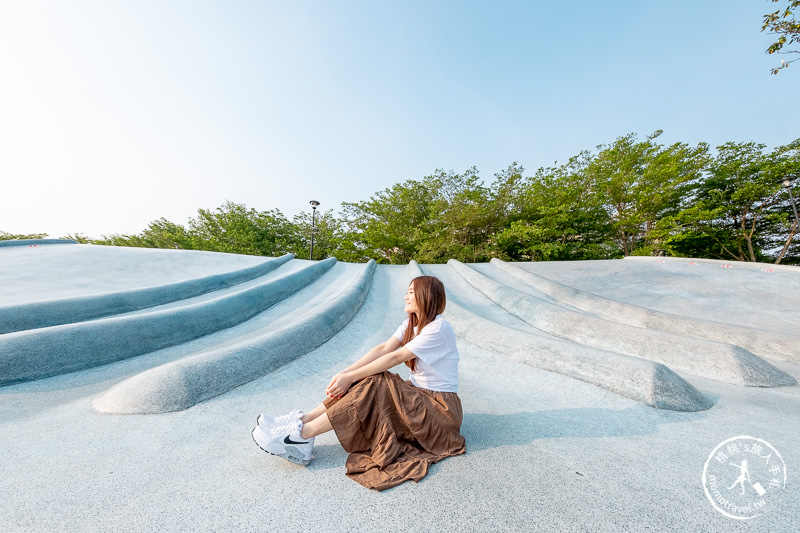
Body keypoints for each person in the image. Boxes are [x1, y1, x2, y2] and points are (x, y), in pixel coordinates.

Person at [251, 275, 466, 491]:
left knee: (375, 382)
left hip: (440, 410)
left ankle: (302, 435)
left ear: (426, 295)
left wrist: (352, 377)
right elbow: (383, 349)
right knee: (367, 377)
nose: (406, 296)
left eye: (411, 291)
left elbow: (395, 357)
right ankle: (303, 421)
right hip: (420, 398)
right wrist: (347, 372)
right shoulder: (413, 324)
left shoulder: (437, 329)